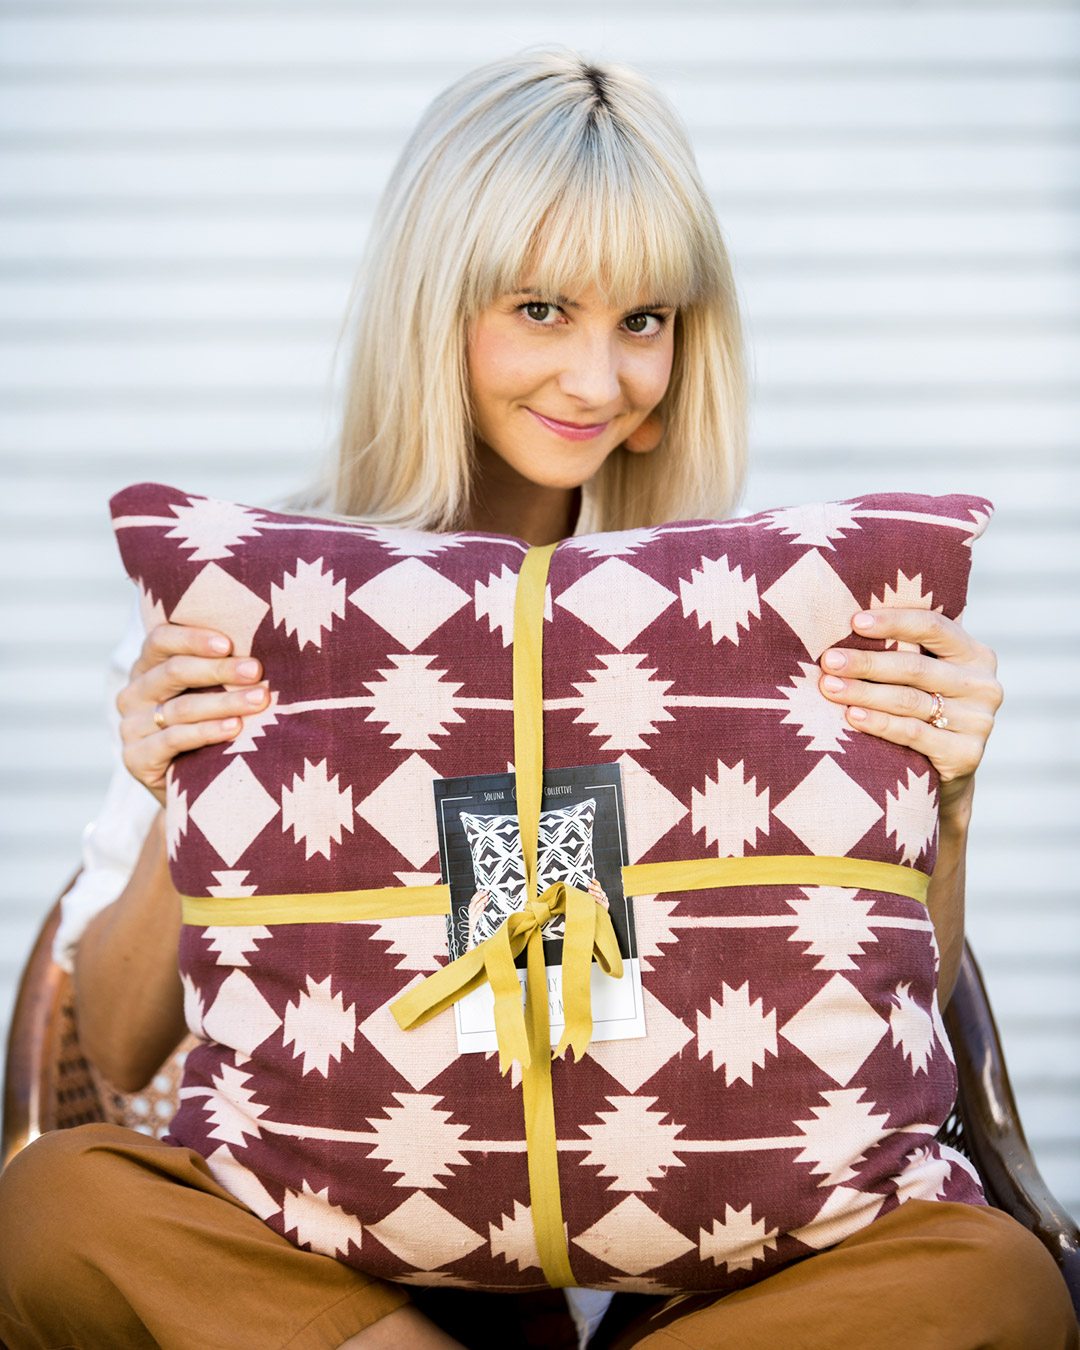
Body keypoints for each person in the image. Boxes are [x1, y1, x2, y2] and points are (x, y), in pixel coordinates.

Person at [0, 48, 1074, 1350]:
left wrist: (944, 805)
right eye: (543, 308)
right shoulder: (251, 600)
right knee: (49, 1204)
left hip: (688, 1267)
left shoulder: (756, 611)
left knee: (991, 1279)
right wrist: (197, 787)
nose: (597, 380)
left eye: (643, 321)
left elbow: (889, 1007)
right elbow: (114, 1051)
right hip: (365, 1277)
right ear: (435, 303)